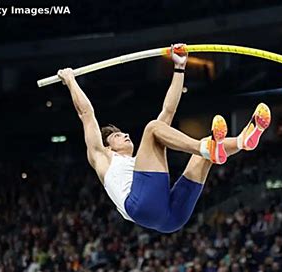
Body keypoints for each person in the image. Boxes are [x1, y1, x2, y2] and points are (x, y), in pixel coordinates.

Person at [57, 43, 271, 233]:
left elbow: (168, 110)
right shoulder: (102, 157)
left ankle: (243, 140)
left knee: (200, 149)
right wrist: (70, 80)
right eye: (117, 135)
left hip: (170, 219)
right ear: (108, 146)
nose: (126, 134)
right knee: (152, 129)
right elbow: (86, 114)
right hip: (141, 206)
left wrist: (179, 67)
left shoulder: (143, 163)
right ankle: (205, 147)